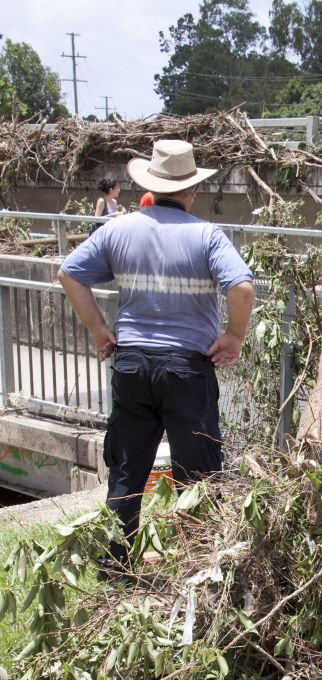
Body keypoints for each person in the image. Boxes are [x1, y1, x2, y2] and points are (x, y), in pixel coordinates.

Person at [58, 139, 255, 573]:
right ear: (193, 190)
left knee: (128, 469)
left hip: (132, 365)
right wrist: (234, 336)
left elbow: (68, 273)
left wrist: (98, 328)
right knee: (198, 474)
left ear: (150, 183)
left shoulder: (118, 229)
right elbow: (241, 288)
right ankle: (197, 567)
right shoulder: (207, 235)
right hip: (186, 369)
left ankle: (115, 564)